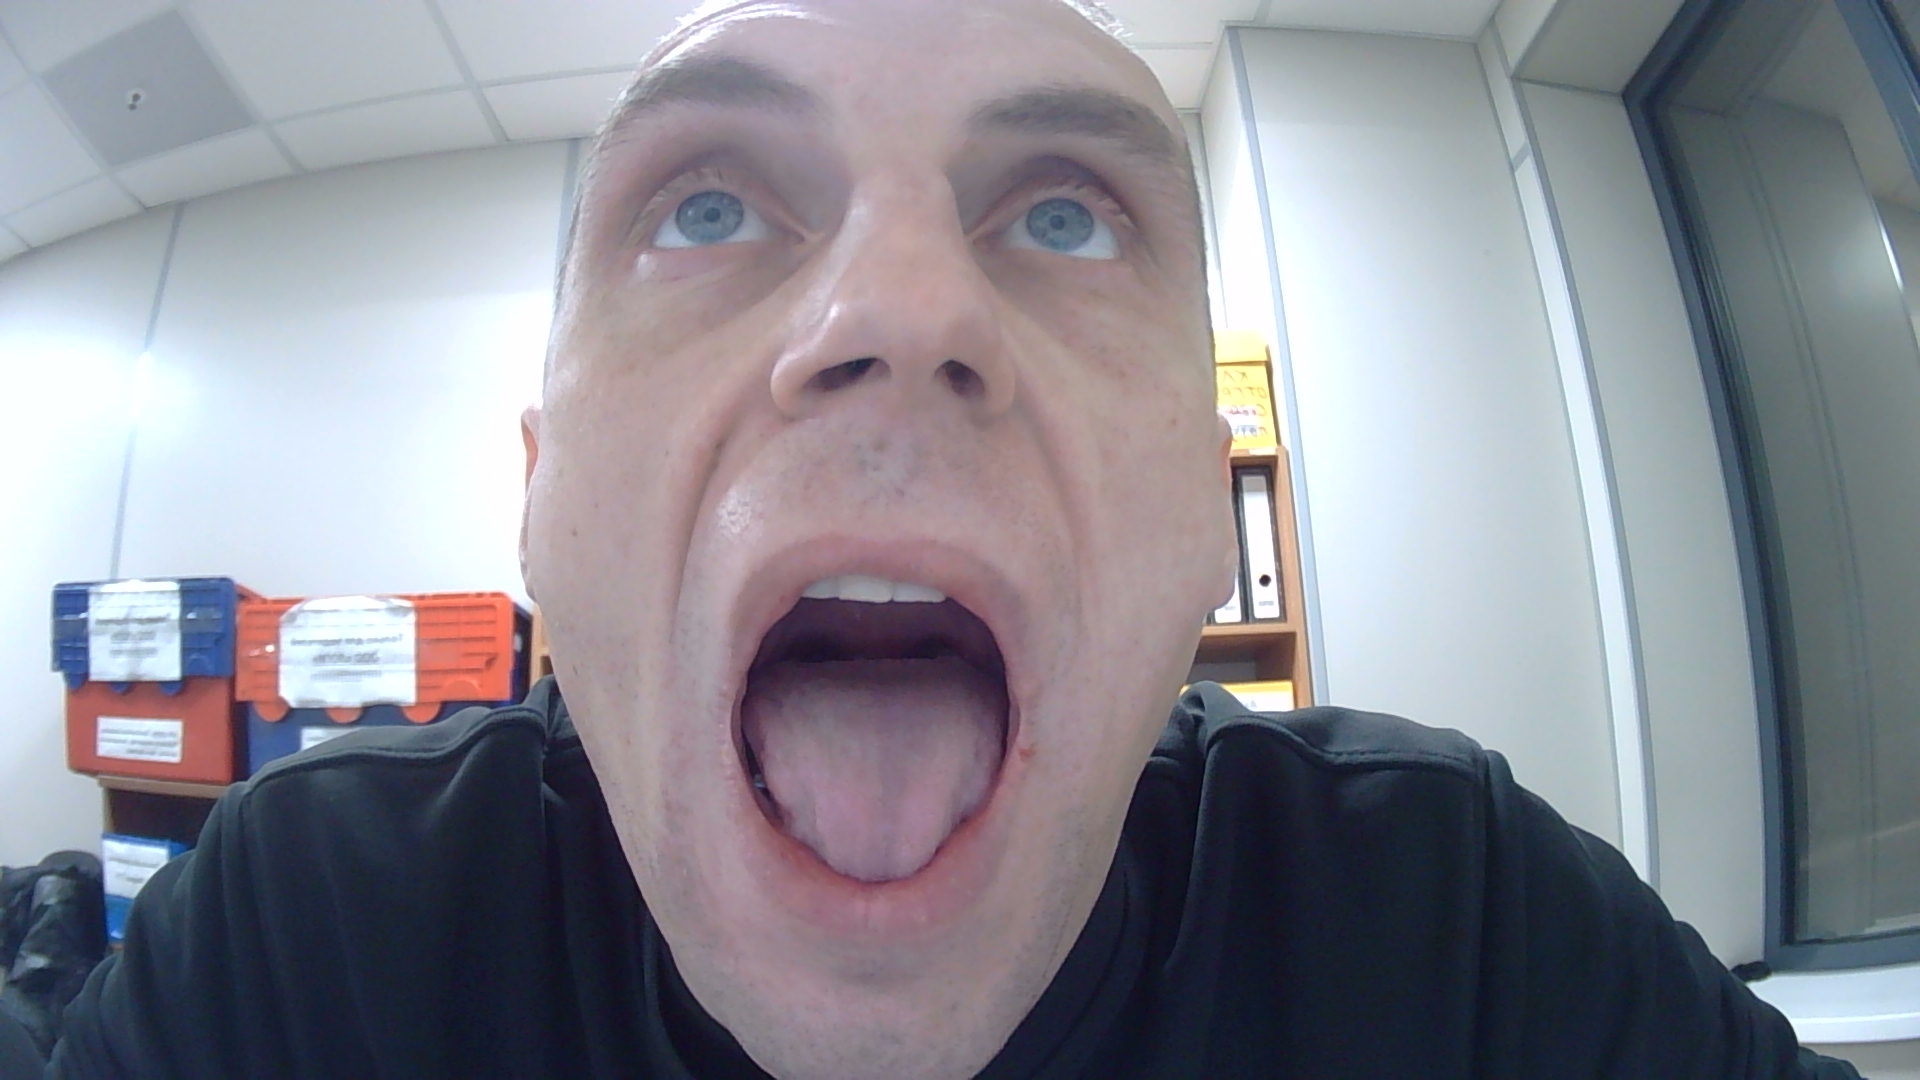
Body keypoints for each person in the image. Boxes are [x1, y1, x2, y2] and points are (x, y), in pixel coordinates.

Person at [41, 1, 1863, 1077]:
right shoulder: (314, 935)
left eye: (1065, 216)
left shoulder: (1450, 926)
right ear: (538, 495)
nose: (901, 310)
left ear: (1207, 511)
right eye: (708, 206)